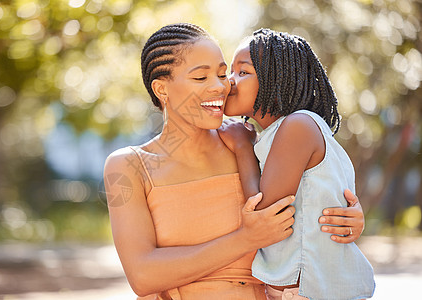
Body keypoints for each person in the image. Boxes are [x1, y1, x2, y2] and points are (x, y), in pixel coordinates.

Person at [103, 23, 365, 300]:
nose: (221, 86)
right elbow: (143, 276)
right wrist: (246, 238)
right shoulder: (128, 166)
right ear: (162, 89)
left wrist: (348, 218)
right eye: (201, 78)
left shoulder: (252, 148)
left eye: (221, 73)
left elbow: (312, 197)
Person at [219, 29, 375, 300]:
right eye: (230, 72)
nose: (230, 82)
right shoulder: (284, 132)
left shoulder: (298, 126)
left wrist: (243, 148)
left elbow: (266, 217)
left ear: (276, 83)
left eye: (243, 72)